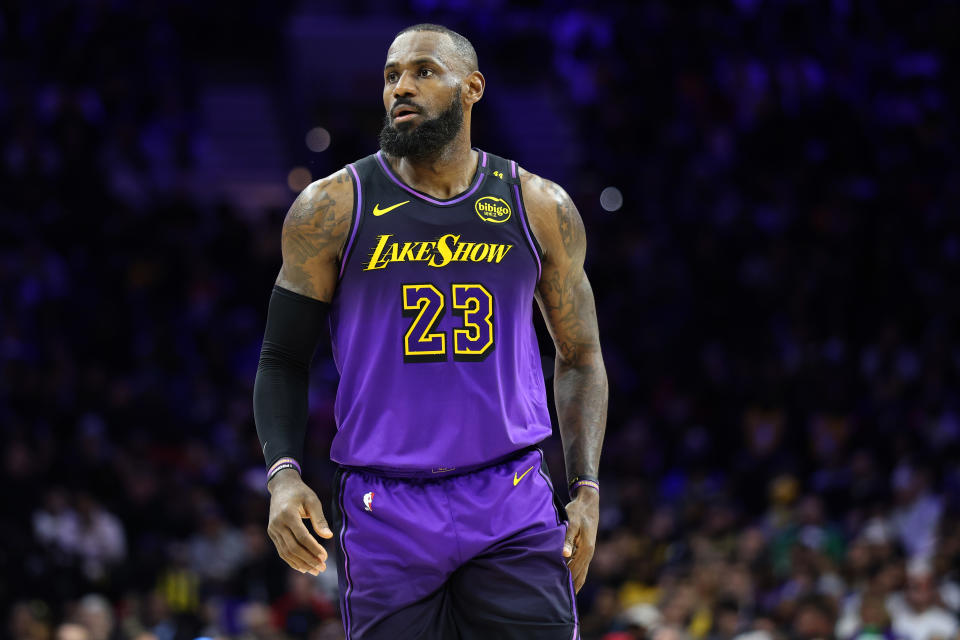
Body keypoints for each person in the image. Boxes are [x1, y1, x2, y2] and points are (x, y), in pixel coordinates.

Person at [253, 23, 608, 639]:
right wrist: (284, 475)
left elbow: (580, 354)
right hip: (384, 507)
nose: (401, 88)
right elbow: (282, 357)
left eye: (422, 72)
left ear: (472, 88)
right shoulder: (331, 208)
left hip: (511, 497)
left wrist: (586, 485)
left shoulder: (539, 206)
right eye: (392, 76)